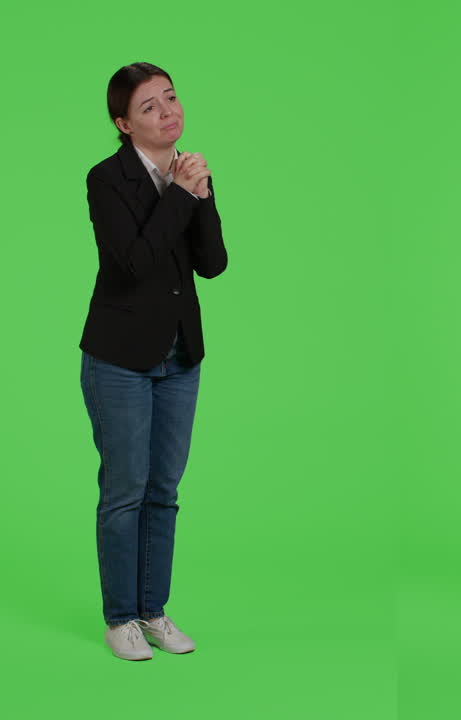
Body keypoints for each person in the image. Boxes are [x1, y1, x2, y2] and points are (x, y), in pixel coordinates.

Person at [81, 62, 227, 661]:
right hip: (119, 358)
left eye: (171, 98)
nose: (168, 111)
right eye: (149, 107)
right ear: (123, 123)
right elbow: (136, 263)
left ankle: (153, 610)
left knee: (164, 489)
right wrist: (181, 195)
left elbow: (212, 263)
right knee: (125, 490)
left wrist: (205, 194)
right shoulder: (106, 179)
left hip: (179, 356)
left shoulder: (190, 171)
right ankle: (120, 617)